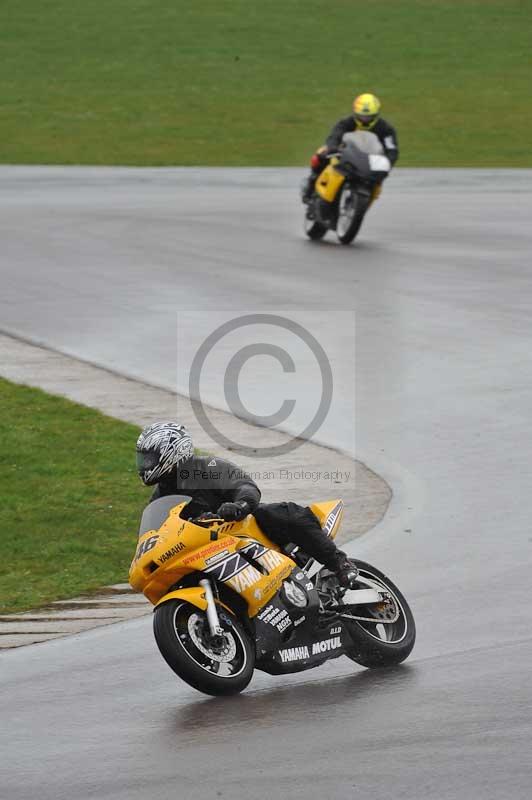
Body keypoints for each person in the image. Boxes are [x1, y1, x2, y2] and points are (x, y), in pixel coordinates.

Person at [136, 421, 357, 588]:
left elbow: (244, 486)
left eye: (148, 458)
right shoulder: (160, 497)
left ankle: (338, 563)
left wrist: (239, 505)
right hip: (207, 550)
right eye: (143, 459)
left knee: (271, 513)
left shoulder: (207, 467)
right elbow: (157, 533)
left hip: (242, 530)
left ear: (171, 451)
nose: (144, 465)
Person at [301, 92, 399, 202]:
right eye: (362, 115)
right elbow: (335, 135)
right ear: (355, 112)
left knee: (378, 180)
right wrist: (333, 148)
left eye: (369, 116)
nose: (365, 119)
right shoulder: (346, 122)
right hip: (346, 153)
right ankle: (310, 185)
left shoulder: (386, 129)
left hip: (370, 159)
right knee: (320, 154)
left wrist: (388, 163)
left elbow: (392, 149)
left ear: (376, 114)